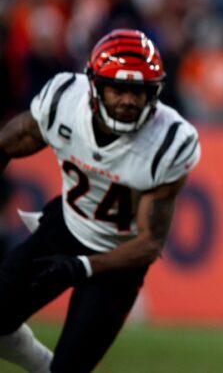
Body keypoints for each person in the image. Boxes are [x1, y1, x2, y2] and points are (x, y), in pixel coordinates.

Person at [0, 29, 200, 372]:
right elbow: (7, 143)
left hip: (118, 260)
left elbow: (150, 243)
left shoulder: (169, 140)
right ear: (94, 85)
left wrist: (84, 266)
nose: (128, 100)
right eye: (118, 88)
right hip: (64, 228)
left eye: (138, 91)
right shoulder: (64, 99)